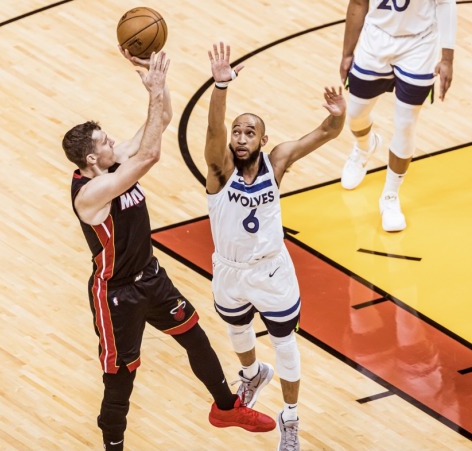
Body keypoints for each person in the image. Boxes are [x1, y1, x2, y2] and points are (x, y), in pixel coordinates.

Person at [64, 48, 275, 451]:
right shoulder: (91, 193)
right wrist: (155, 90)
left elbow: (160, 123)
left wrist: (155, 88)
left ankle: (226, 408)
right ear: (91, 158)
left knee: (194, 336)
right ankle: (113, 446)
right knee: (120, 379)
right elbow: (150, 154)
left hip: (150, 276)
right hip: (117, 294)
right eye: (105, 141)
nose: (113, 142)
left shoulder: (111, 162)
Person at [204, 41, 347, 451]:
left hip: (271, 270)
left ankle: (291, 417)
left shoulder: (277, 161)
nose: (241, 137)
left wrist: (338, 115)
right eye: (237, 131)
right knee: (237, 331)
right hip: (229, 269)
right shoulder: (219, 172)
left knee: (285, 346)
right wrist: (220, 86)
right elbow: (213, 133)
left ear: (263, 140)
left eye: (250, 132)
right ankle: (253, 375)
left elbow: (326, 132)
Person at [338, 0, 456, 231]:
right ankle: (364, 146)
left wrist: (447, 58)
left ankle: (390, 196)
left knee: (406, 124)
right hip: (375, 39)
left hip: (419, 44)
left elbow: (446, 3)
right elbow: (359, 3)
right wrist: (347, 53)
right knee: (355, 115)